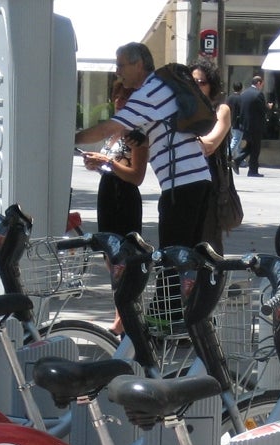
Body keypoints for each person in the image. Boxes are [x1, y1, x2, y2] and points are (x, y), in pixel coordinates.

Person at [74, 42, 211, 252]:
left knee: (171, 260)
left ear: (138, 64)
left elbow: (107, 129)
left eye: (121, 65)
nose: (118, 72)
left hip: (182, 182)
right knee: (189, 258)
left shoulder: (148, 92)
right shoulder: (162, 86)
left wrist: (70, 139)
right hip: (197, 178)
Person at [81, 80, 149, 334]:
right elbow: (111, 165)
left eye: (125, 97)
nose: (120, 101)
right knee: (110, 257)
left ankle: (125, 313)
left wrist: (107, 161)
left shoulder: (137, 133)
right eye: (117, 97)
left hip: (124, 196)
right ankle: (121, 310)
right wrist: (97, 164)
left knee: (125, 258)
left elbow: (136, 175)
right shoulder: (113, 131)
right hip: (107, 192)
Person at [190, 58, 232, 253]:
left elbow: (210, 145)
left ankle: (212, 283)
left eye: (202, 82)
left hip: (210, 184)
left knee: (208, 245)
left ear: (211, 85)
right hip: (183, 182)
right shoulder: (185, 111)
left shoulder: (221, 110)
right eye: (193, 82)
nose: (197, 86)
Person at [236, 75, 268, 177]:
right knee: (255, 149)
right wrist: (269, 107)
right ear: (258, 83)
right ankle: (252, 170)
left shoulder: (244, 93)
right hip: (255, 126)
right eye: (262, 84)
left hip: (245, 126)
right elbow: (262, 110)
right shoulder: (258, 94)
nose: (262, 86)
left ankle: (237, 160)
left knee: (250, 147)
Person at [226, 81, 244, 165]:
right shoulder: (241, 99)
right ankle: (226, 155)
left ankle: (239, 160)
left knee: (237, 141)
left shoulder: (229, 98)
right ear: (241, 88)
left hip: (230, 122)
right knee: (236, 140)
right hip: (238, 123)